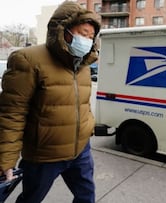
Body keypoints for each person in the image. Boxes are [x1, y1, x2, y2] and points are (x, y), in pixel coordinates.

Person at [0, 1, 100, 202]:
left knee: (87, 197)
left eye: (91, 36)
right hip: (44, 156)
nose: (87, 41)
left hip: (80, 151)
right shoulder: (27, 59)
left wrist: (88, 128)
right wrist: (6, 160)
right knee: (32, 199)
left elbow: (82, 104)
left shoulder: (84, 65)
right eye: (83, 34)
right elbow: (12, 114)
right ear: (63, 30)